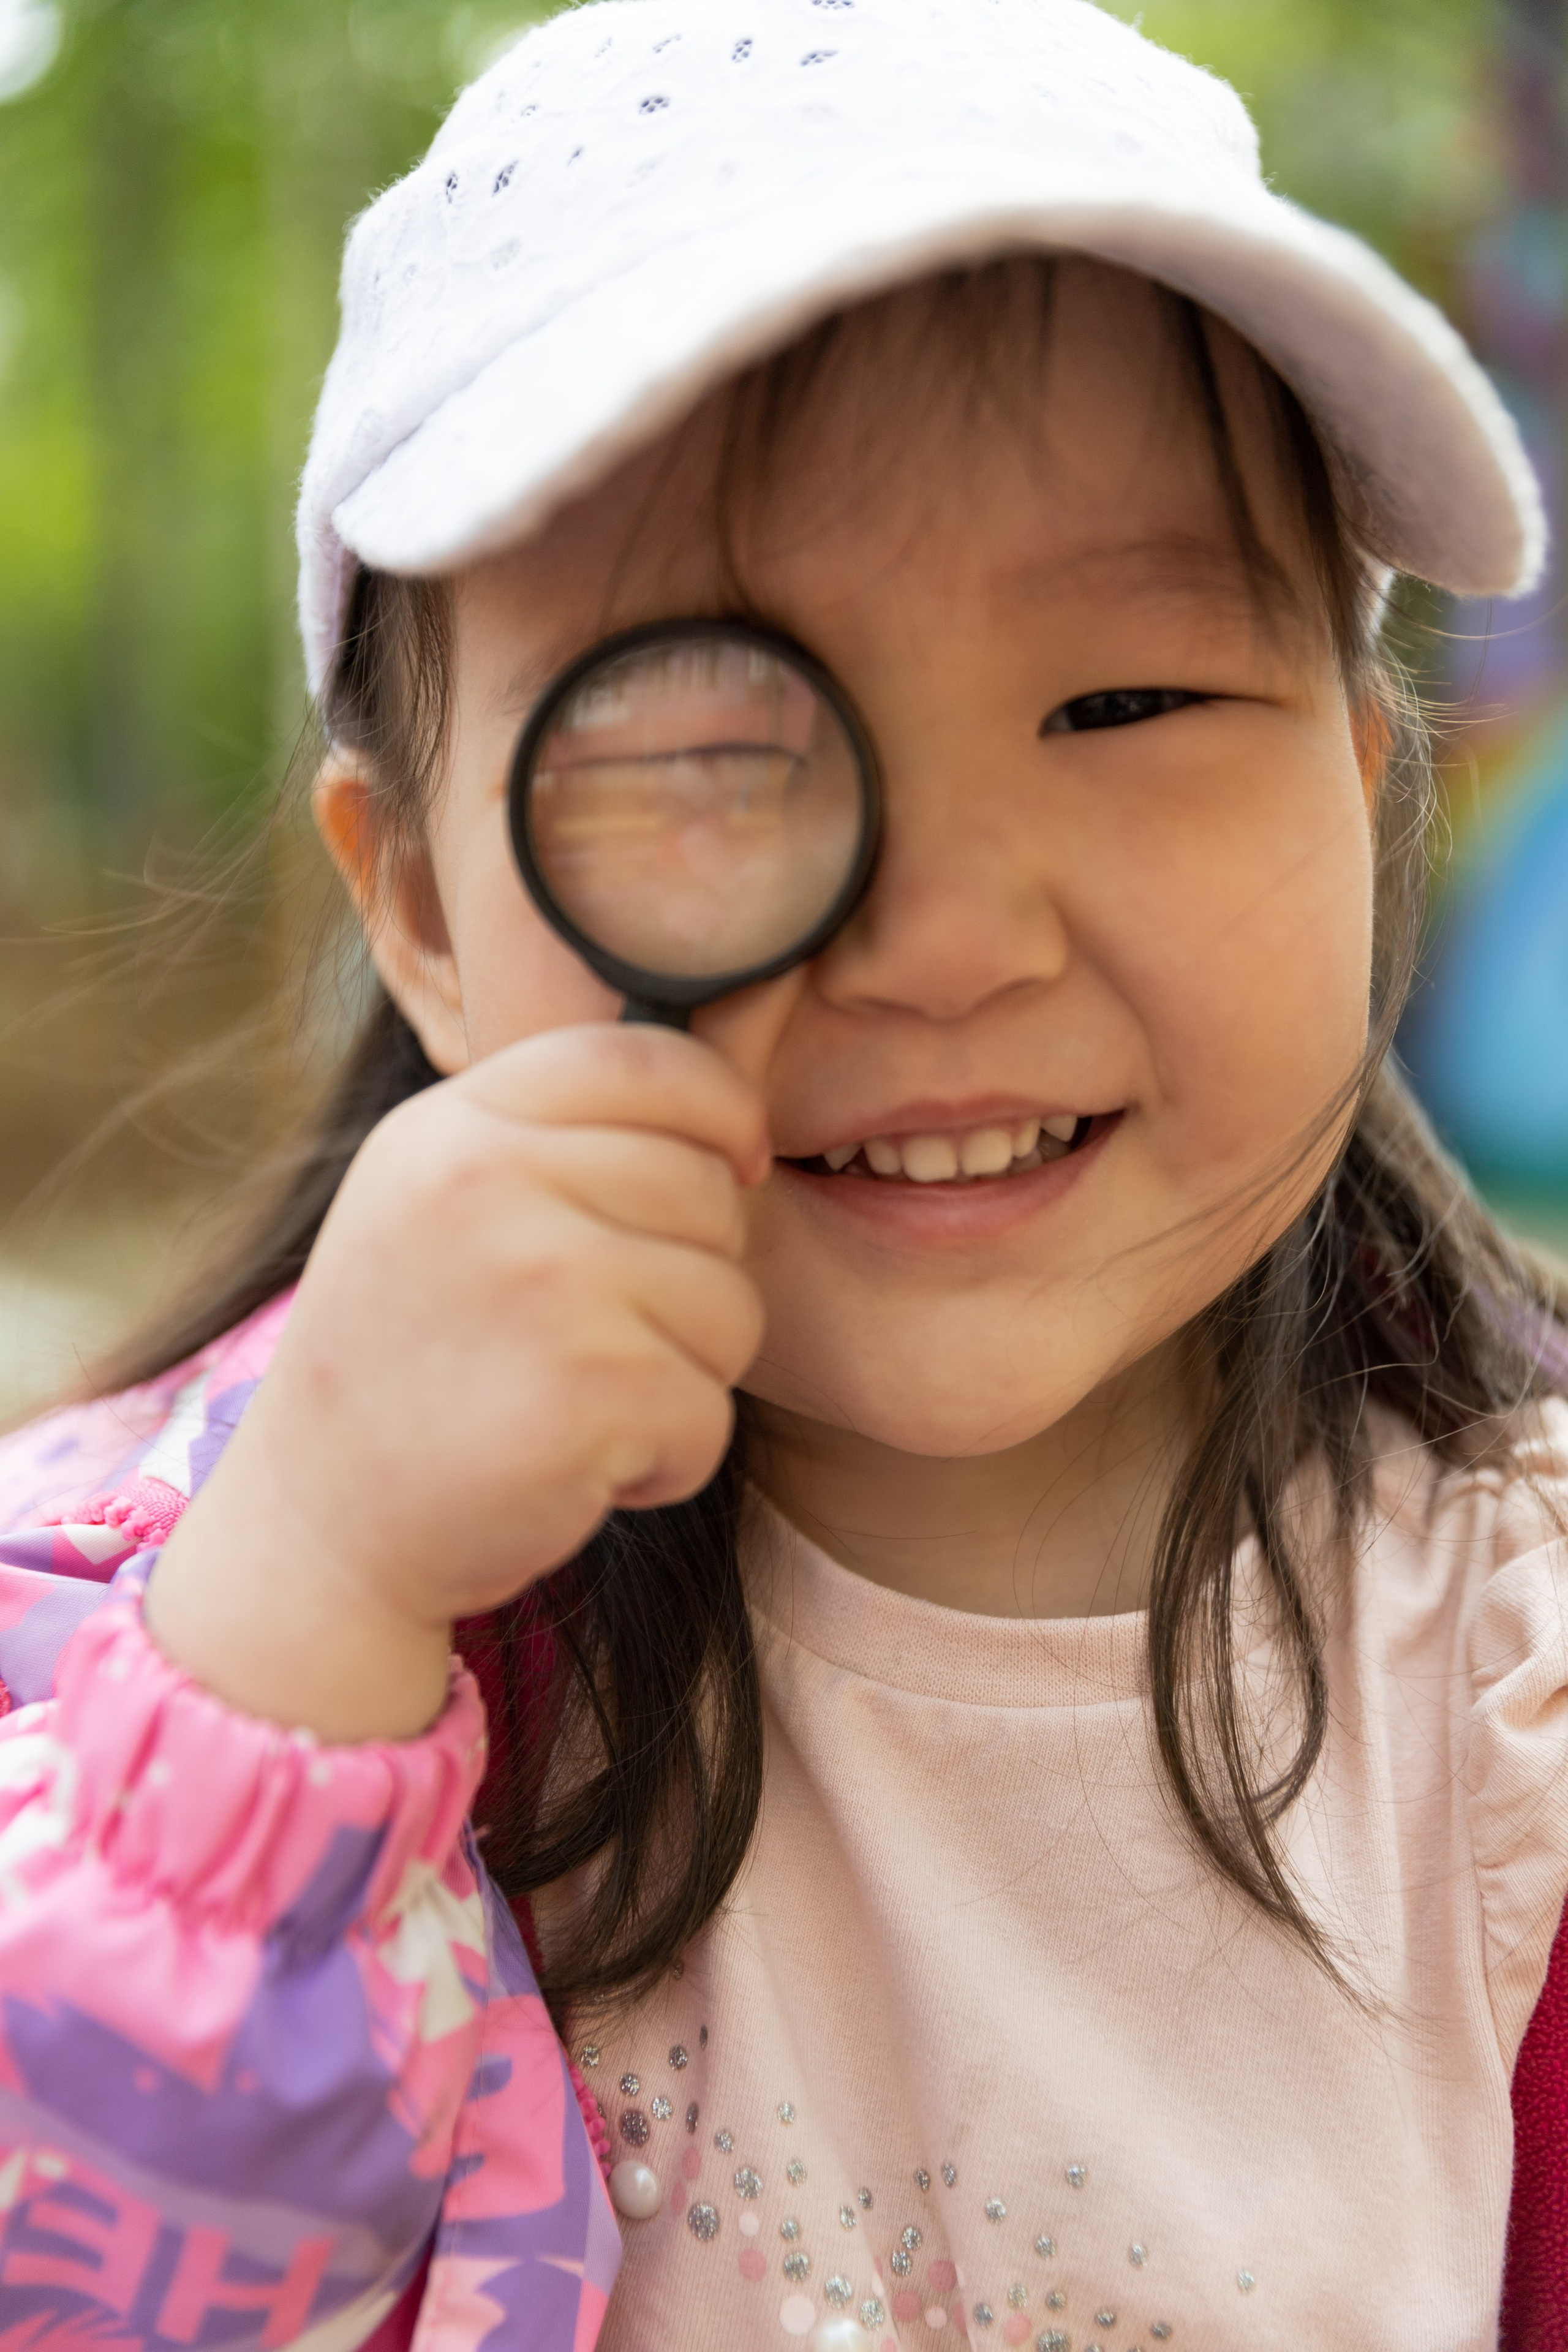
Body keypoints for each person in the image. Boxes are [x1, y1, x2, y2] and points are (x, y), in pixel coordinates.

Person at [0, 2, 1563, 2347]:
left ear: (1360, 779)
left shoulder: (1519, 1673)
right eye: (705, 752)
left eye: (1122, 703)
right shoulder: (167, 1627)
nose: (946, 937)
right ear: (420, 909)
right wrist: (303, 1613)